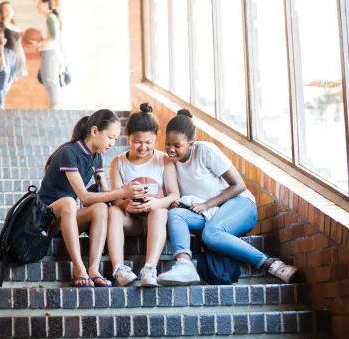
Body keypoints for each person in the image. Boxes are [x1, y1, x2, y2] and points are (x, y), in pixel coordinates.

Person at [157, 109, 298, 285]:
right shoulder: (169, 164)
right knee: (175, 214)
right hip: (208, 216)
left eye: (177, 145)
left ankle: (272, 264)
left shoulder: (205, 150)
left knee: (211, 233)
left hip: (239, 205)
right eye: (167, 144)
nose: (171, 149)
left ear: (191, 143)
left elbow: (239, 185)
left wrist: (207, 204)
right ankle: (184, 266)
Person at [38, 109, 146, 287]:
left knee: (101, 208)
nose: (112, 143)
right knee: (69, 202)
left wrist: (131, 198)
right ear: (95, 131)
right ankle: (79, 269)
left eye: (115, 139)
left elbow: (105, 194)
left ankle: (93, 270)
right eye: (110, 137)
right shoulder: (69, 153)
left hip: (67, 219)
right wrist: (122, 192)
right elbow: (85, 197)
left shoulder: (97, 157)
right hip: (46, 219)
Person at [107, 103, 179, 287]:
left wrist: (156, 203)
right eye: (137, 141)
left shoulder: (163, 159)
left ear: (156, 138)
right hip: (132, 222)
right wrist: (125, 205)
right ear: (128, 137)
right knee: (113, 211)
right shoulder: (118, 162)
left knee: (161, 211)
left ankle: (149, 269)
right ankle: (119, 269)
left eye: (149, 142)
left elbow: (174, 195)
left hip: (156, 220)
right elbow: (115, 197)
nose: (143, 147)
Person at [0, 1, 26, 109]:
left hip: (15, 57)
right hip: (4, 54)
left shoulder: (15, 26)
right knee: (2, 79)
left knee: (8, 82)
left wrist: (22, 59)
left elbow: (18, 44)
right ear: (1, 12)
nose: (8, 11)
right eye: (5, 9)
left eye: (10, 8)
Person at [32, 0, 62, 110]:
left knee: (51, 79)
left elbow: (54, 37)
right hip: (46, 51)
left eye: (39, 3)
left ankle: (55, 106)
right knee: (46, 79)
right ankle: (54, 104)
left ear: (46, 4)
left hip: (50, 51)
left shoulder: (51, 17)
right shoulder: (47, 18)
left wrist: (39, 44)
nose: (37, 6)